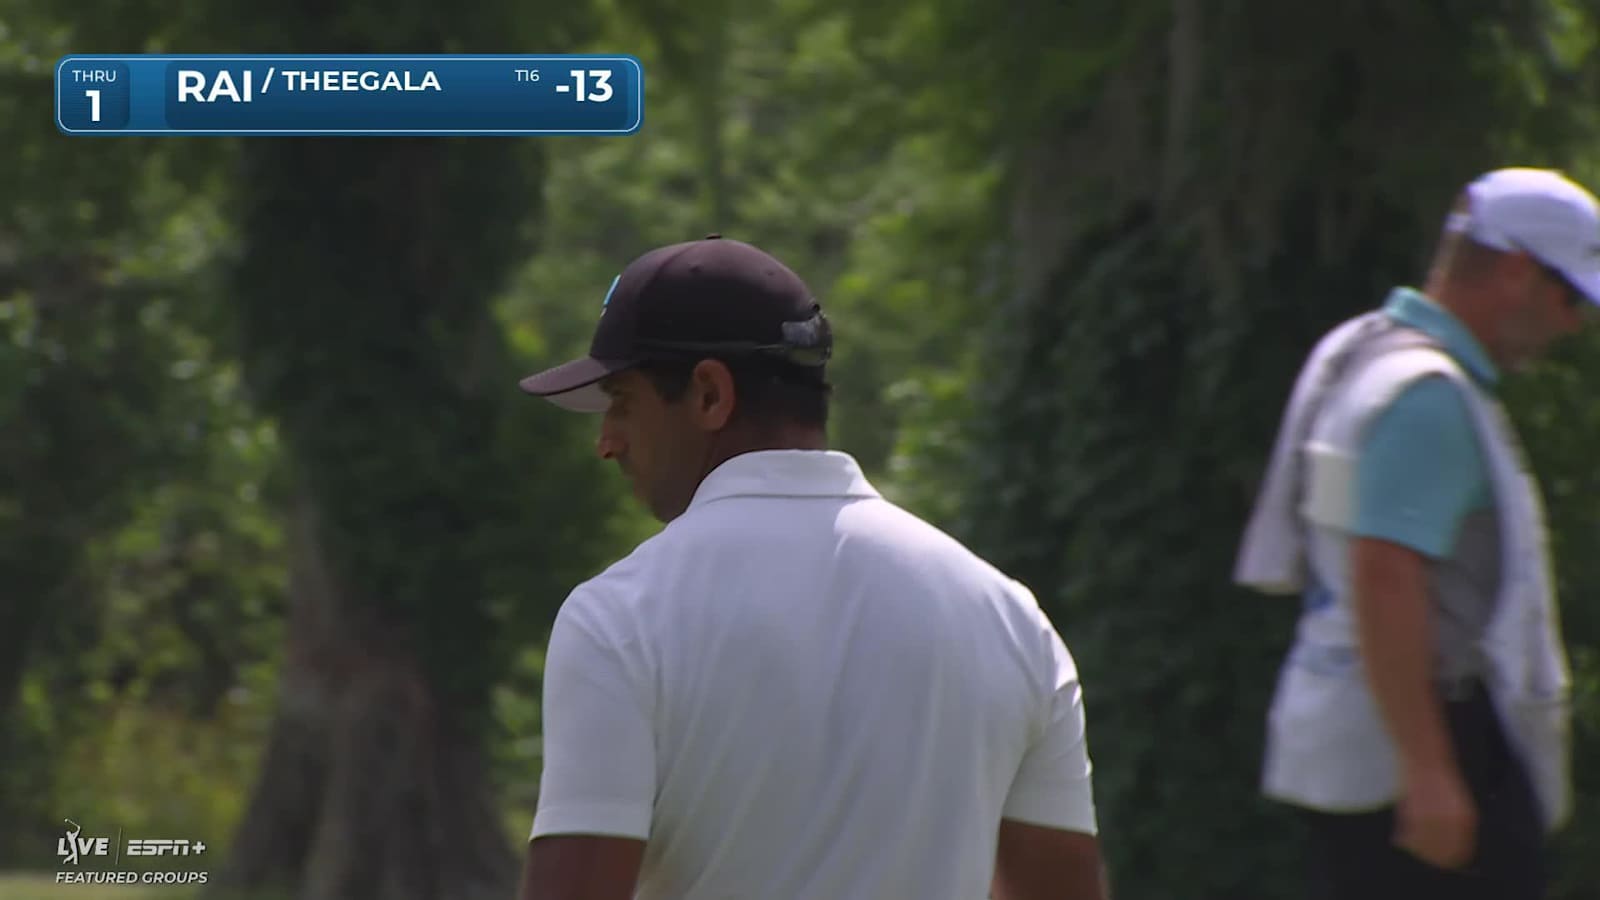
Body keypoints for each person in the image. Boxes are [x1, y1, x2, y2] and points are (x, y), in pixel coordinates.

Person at [514, 234, 1107, 900]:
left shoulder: (620, 618)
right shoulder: (1008, 618)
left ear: (710, 394)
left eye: (622, 403)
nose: (606, 442)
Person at [1234, 168, 1598, 899]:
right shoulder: (1427, 395)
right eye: (1569, 295)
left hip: (1352, 729)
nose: (1574, 321)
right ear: (1517, 271)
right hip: (1428, 733)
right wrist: (1430, 771)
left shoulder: (1362, 354)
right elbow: (1386, 572)